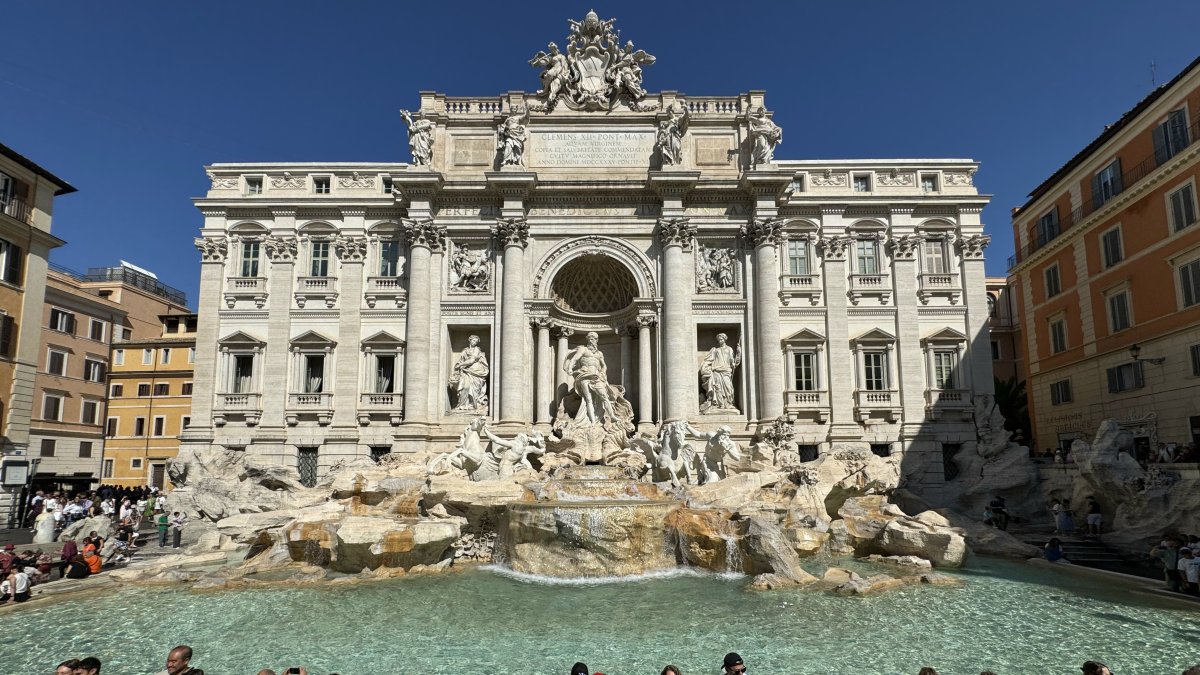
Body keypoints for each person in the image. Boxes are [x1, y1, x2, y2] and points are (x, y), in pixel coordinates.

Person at [700, 333, 741, 413]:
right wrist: (705, 368)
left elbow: (734, 362)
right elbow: (709, 360)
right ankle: (719, 405)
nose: (720, 341)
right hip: (716, 371)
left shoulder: (729, 349)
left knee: (728, 388)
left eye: (721, 339)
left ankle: (728, 404)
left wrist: (739, 353)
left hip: (726, 371)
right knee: (717, 389)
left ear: (725, 339)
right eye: (719, 340)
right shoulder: (716, 350)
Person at [450, 335, 489, 411]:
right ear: (470, 340)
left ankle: (472, 405)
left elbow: (471, 360)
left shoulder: (477, 350)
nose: (474, 342)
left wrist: (461, 365)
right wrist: (459, 366)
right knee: (465, 387)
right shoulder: (465, 350)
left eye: (476, 342)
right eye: (473, 340)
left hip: (476, 371)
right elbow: (461, 360)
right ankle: (463, 405)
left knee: (473, 389)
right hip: (466, 371)